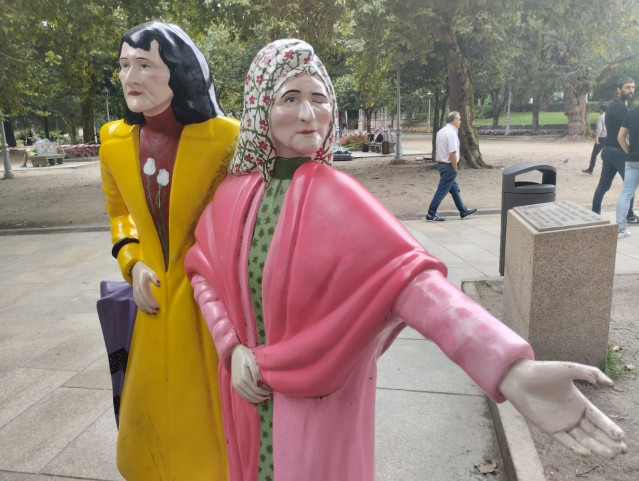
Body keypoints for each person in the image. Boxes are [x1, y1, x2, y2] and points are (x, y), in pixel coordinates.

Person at [184, 38, 625, 481]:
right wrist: (232, 348)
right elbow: (203, 272)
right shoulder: (234, 194)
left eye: (318, 98)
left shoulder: (340, 198)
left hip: (317, 405)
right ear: (261, 106)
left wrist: (509, 367)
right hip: (244, 403)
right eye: (290, 98)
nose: (307, 113)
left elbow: (416, 286)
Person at [98, 21, 239, 480]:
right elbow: (119, 214)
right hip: (153, 302)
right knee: (150, 416)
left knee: (207, 416)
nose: (130, 77)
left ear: (178, 72)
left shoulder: (226, 138)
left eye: (145, 65)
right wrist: (133, 262)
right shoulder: (114, 141)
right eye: (123, 65)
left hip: (211, 305)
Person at [592, 77, 639, 224]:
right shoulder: (620, 107)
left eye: (632, 87)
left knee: (603, 185)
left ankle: (594, 214)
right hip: (618, 151)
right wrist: (629, 151)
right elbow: (625, 133)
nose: (631, 90)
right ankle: (629, 215)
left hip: (608, 150)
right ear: (619, 89)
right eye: (627, 87)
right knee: (629, 185)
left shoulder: (614, 105)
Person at [426, 111, 477, 221]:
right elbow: (452, 153)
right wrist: (455, 168)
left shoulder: (441, 132)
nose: (460, 121)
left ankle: (463, 211)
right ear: (454, 120)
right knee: (442, 191)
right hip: (448, 166)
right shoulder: (452, 133)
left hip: (442, 165)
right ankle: (431, 213)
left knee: (455, 190)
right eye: (459, 119)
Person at [616, 104, 639, 237]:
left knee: (626, 193)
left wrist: (629, 151)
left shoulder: (632, 112)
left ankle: (620, 228)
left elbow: (620, 137)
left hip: (633, 159)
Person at [583, 104, 607, 174]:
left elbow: (599, 129)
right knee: (607, 154)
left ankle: (590, 169)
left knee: (594, 154)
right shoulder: (610, 117)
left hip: (601, 138)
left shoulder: (601, 117)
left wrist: (596, 138)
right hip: (608, 138)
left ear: (601, 109)